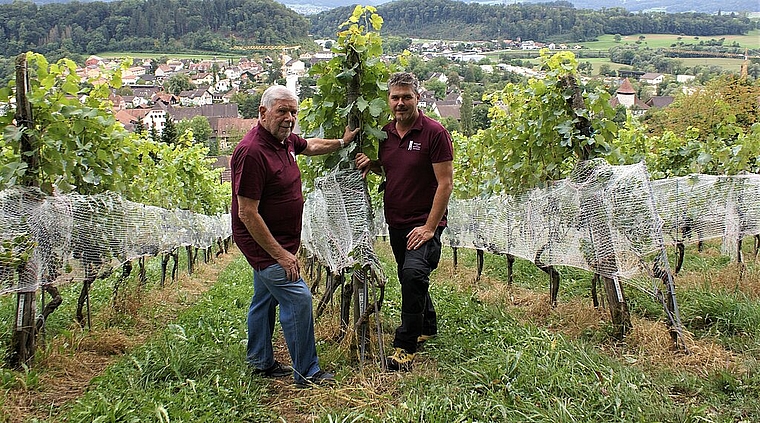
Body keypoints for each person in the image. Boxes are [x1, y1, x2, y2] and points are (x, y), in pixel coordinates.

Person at [231, 85, 359, 387]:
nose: (289, 118)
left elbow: (310, 146)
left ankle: (260, 361)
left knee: (264, 300)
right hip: (264, 244)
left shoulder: (283, 141)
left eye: (293, 112)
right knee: (299, 298)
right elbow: (247, 212)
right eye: (282, 111)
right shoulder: (252, 152)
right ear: (263, 113)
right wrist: (280, 254)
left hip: (278, 240)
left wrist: (342, 142)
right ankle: (307, 372)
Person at [355, 72, 454, 371]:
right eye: (395, 97)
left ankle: (405, 345)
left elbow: (445, 183)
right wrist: (371, 164)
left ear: (417, 98)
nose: (400, 103)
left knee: (412, 275)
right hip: (395, 222)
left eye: (406, 97)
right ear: (389, 100)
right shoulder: (385, 135)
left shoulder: (435, 134)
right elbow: (392, 169)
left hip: (423, 224)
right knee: (408, 276)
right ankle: (427, 325)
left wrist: (428, 227)